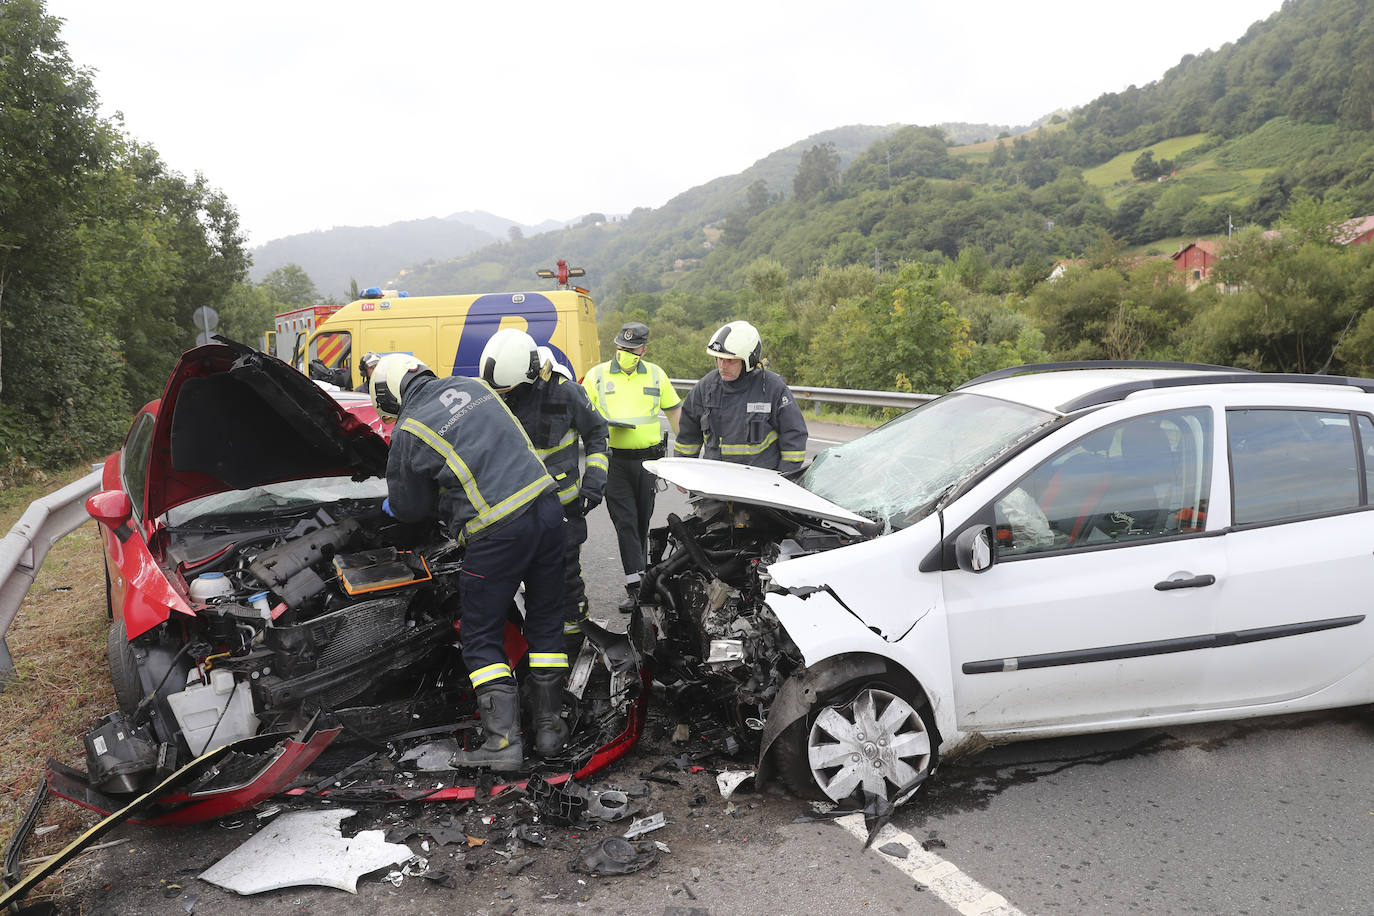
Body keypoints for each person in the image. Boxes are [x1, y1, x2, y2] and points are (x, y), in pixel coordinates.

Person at [370, 353, 569, 769]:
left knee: (481, 633)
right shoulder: (475, 387)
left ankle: (502, 745)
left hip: (498, 532)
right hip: (548, 511)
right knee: (547, 617)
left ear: (390, 395)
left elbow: (410, 507)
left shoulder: (409, 429)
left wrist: (391, 508)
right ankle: (550, 730)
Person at [478, 329, 609, 650]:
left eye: (509, 390)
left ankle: (573, 642)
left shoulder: (565, 393)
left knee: (565, 583)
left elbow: (597, 433)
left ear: (530, 376)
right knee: (522, 584)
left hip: (563, 512)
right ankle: (534, 645)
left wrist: (594, 481)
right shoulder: (495, 395)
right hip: (513, 513)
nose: (504, 397)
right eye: (499, 392)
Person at [582, 321, 681, 612]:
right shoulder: (597, 376)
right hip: (614, 461)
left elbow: (675, 412)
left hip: (649, 462)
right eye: (620, 347)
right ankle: (636, 588)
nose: (624, 352)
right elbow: (580, 412)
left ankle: (645, 579)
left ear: (643, 350)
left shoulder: (655, 374)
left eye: (631, 349)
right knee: (625, 523)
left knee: (641, 522)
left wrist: (686, 457)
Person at [674, 320, 809, 474]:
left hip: (759, 483)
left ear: (749, 360)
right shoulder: (706, 387)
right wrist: (683, 469)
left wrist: (785, 477)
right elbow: (688, 434)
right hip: (714, 480)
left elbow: (794, 434)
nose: (722, 366)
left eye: (730, 360)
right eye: (719, 359)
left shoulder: (772, 387)